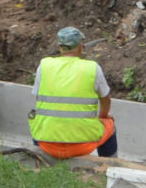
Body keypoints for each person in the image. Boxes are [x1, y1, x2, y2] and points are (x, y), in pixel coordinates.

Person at [29, 25, 118, 160]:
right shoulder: (92, 68)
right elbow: (106, 99)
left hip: (47, 145)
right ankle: (110, 166)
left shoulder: (44, 66)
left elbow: (38, 98)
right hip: (81, 145)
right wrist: (104, 116)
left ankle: (40, 161)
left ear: (59, 47)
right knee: (110, 125)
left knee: (37, 122)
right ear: (81, 46)